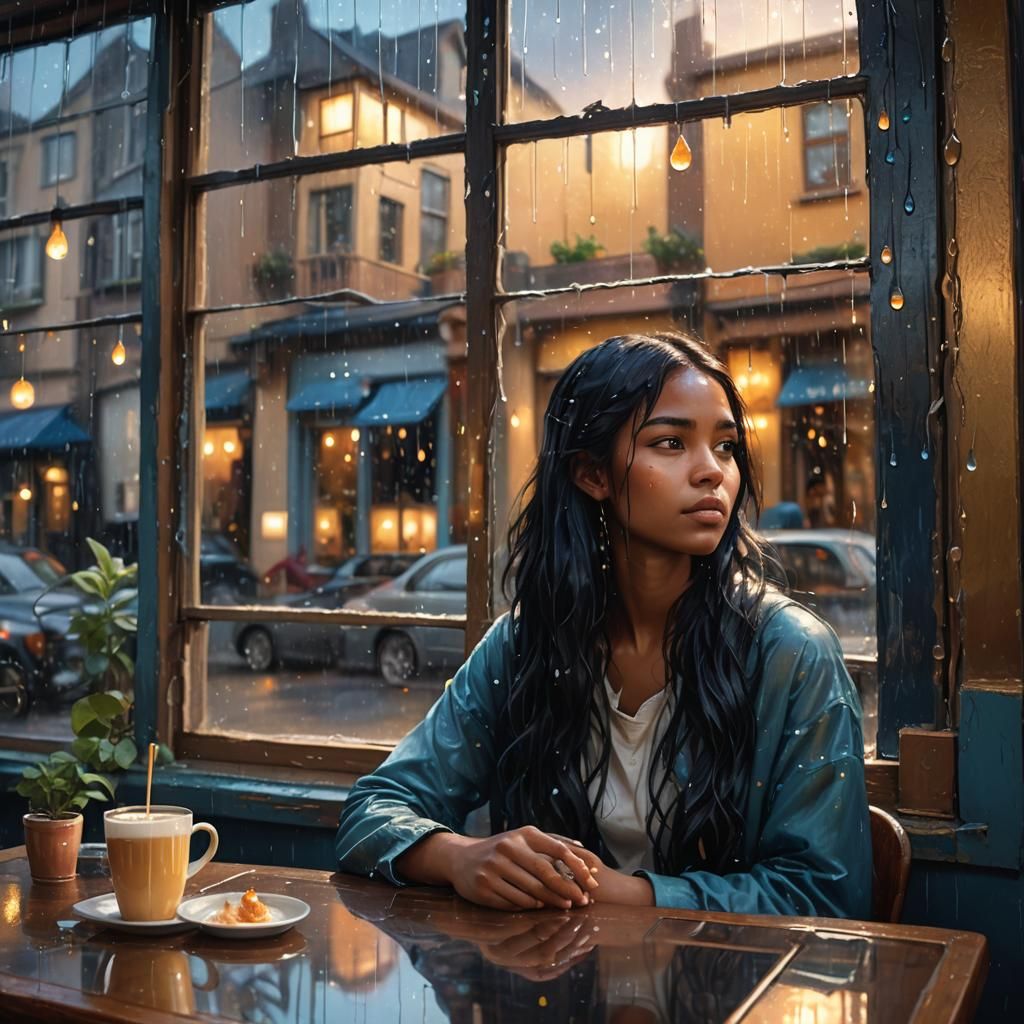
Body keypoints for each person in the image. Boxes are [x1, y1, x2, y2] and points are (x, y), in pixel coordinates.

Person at [335, 332, 871, 918]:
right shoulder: (527, 642)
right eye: (671, 442)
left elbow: (826, 896)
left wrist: (628, 894)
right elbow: (371, 811)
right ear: (592, 473)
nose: (712, 472)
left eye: (725, 447)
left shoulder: (792, 654)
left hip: (725, 994)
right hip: (550, 983)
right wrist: (460, 857)